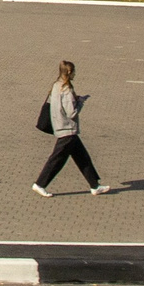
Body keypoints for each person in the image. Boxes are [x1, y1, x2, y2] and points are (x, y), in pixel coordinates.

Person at [33, 60, 110, 196]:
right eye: (74, 71)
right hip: (66, 130)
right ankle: (40, 184)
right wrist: (80, 102)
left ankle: (94, 185)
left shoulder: (56, 85)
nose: (75, 74)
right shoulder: (66, 89)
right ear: (69, 72)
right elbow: (71, 113)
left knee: (82, 158)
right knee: (57, 159)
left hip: (61, 127)